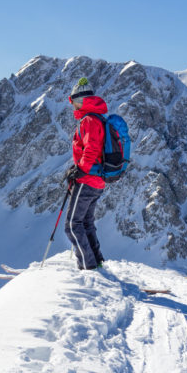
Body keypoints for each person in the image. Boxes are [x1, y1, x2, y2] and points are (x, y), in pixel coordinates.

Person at [63, 77, 107, 270]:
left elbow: (92, 148)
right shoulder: (96, 117)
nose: (72, 106)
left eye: (73, 101)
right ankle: (97, 261)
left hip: (87, 179)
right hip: (97, 180)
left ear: (80, 100)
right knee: (86, 222)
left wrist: (79, 170)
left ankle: (88, 267)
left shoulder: (89, 120)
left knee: (72, 225)